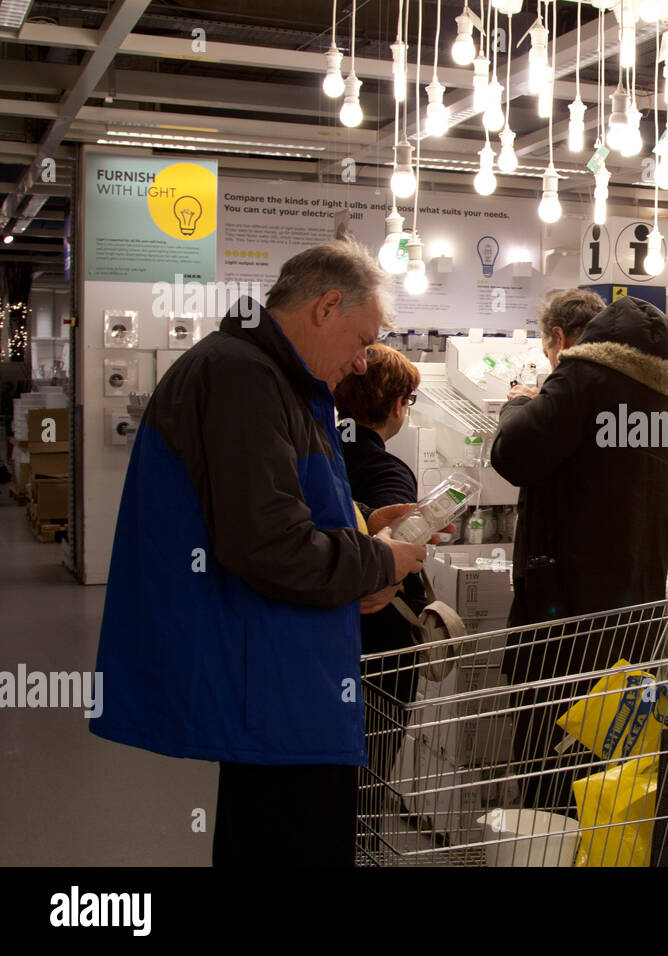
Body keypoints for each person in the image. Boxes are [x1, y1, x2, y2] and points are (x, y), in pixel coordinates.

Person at [91, 238, 431, 867]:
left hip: (280, 678)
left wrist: (361, 525)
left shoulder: (271, 379)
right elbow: (268, 544)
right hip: (276, 688)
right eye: (362, 340)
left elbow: (282, 508)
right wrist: (378, 563)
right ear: (326, 307)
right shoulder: (243, 377)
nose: (362, 364)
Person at [490, 293, 668, 808]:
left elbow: (513, 454)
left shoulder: (580, 380)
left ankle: (552, 842)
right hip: (632, 606)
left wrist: (519, 403)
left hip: (565, 616)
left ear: (558, 340)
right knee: (607, 759)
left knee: (550, 756)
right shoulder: (660, 397)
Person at [333, 343, 429, 782]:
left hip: (326, 631)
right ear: (397, 405)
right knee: (369, 771)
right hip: (379, 644)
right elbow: (396, 538)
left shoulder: (321, 453)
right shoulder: (388, 470)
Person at [504, 287, 605, 402]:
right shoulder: (617, 381)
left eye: (547, 352)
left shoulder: (567, 393)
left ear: (559, 338)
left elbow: (519, 420)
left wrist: (520, 401)